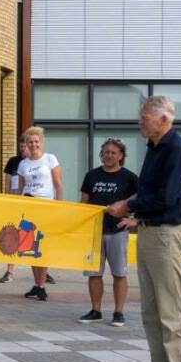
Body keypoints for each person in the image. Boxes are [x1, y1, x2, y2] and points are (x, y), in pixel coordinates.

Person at [107, 96, 181, 362]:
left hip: (167, 237)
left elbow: (169, 198)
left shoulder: (177, 149)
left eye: (144, 117)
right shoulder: (154, 148)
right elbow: (152, 194)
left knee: (172, 312)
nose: (139, 122)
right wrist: (137, 216)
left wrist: (128, 204)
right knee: (151, 312)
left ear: (163, 120)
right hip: (148, 232)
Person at [78, 139, 139, 327]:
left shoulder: (129, 177)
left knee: (119, 273)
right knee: (93, 274)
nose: (109, 156)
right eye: (106, 152)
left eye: (113, 152)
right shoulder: (91, 175)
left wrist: (132, 219)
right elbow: (84, 203)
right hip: (94, 232)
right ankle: (96, 310)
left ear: (121, 155)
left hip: (117, 231)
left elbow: (141, 198)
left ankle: (118, 312)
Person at [17, 126, 63, 301]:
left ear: (41, 142)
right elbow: (20, 188)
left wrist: (58, 206)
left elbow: (58, 184)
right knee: (29, 246)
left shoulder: (50, 159)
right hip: (28, 206)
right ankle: (37, 284)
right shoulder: (23, 164)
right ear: (26, 144)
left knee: (42, 246)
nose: (33, 144)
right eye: (30, 141)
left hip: (46, 206)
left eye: (36, 141)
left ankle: (42, 285)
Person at [0, 135, 28, 283]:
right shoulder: (13, 161)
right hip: (15, 201)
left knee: (35, 235)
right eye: (20, 146)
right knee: (13, 234)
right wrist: (7, 199)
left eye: (25, 146)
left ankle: (43, 271)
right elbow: (8, 181)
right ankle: (9, 271)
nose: (22, 149)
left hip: (31, 202)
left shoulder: (35, 162)